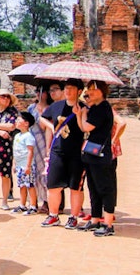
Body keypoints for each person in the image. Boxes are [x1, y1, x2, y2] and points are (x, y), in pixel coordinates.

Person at [40, 78, 87, 228]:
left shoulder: (84, 108)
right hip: (58, 151)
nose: (68, 91)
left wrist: (79, 115)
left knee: (76, 187)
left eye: (72, 88)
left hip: (76, 152)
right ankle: (53, 214)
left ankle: (73, 216)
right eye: (66, 88)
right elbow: (42, 117)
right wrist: (52, 126)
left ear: (79, 91)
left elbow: (85, 129)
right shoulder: (56, 106)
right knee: (53, 185)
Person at [76, 80, 116, 236]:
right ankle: (95, 219)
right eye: (89, 90)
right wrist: (81, 114)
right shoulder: (94, 108)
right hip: (91, 153)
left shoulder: (103, 108)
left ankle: (108, 223)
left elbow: (87, 127)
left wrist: (83, 114)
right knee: (93, 188)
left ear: (102, 91)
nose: (89, 93)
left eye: (93, 90)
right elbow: (82, 128)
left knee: (105, 188)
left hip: (100, 154)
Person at [28, 81, 62, 213]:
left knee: (45, 172)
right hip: (32, 141)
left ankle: (48, 202)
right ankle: (34, 200)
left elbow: (48, 128)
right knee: (33, 171)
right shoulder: (31, 108)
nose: (39, 94)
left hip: (44, 141)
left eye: (41, 91)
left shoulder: (50, 108)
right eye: (37, 91)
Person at [11, 111, 38, 214]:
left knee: (30, 185)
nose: (16, 121)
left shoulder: (29, 136)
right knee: (22, 185)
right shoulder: (17, 136)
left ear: (26, 123)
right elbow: (15, 151)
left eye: (19, 120)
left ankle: (33, 206)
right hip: (19, 165)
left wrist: (28, 166)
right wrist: (14, 164)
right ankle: (22, 205)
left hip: (27, 165)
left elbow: (30, 151)